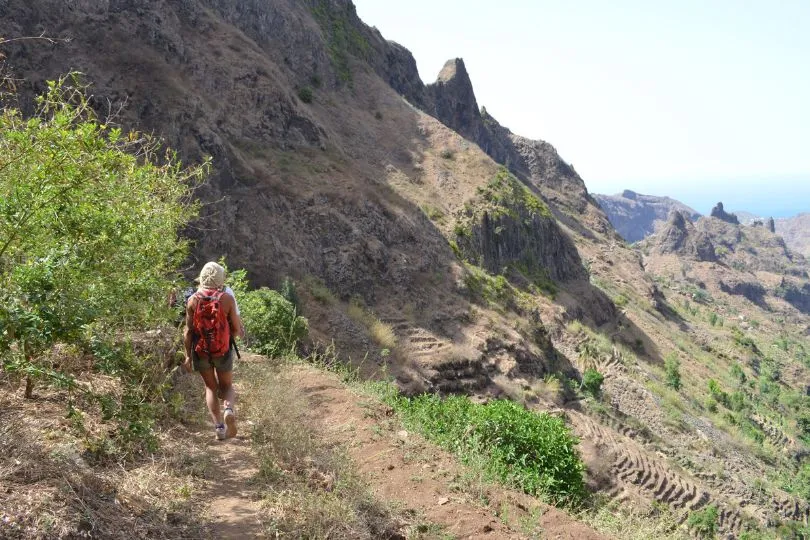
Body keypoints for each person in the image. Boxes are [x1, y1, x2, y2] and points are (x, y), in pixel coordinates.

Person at [183, 261, 244, 440]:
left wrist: (188, 356)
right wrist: (228, 337)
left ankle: (219, 427)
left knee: (210, 387)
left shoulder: (192, 300)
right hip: (222, 350)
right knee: (227, 386)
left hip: (201, 351)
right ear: (220, 280)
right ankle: (229, 409)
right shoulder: (227, 299)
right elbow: (236, 329)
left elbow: (188, 331)